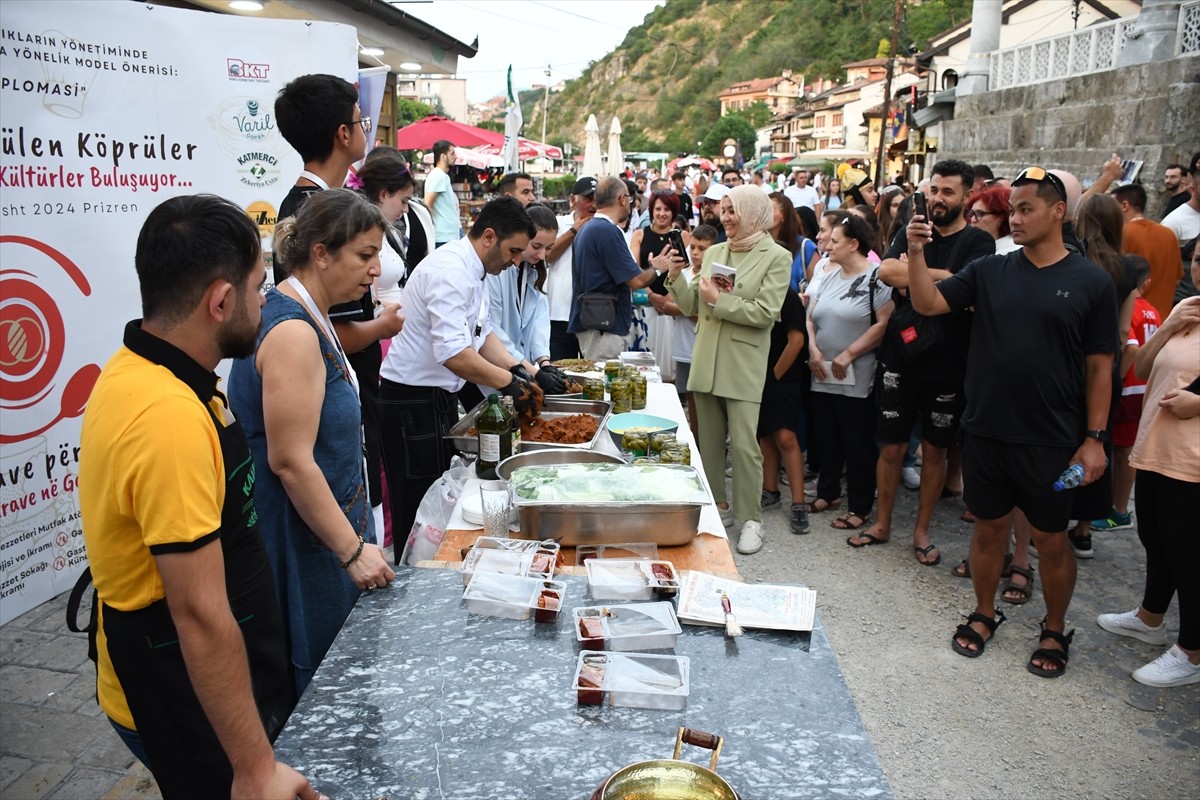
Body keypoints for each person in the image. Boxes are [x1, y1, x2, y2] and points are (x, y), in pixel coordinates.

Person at [78, 195, 321, 799]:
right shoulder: (166, 417)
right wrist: (255, 768)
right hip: (180, 691)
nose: (264, 301)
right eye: (258, 287)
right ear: (220, 301)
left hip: (203, 676)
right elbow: (198, 613)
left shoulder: (150, 366)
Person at [908, 166, 1118, 677]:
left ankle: (1053, 627)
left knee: (1051, 539)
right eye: (1013, 210)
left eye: (1026, 209)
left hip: (1054, 439)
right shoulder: (990, 270)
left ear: (1057, 212)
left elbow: (1100, 369)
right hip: (984, 430)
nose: (1016, 219)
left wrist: (1094, 440)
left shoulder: (1090, 281)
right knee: (987, 531)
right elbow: (928, 302)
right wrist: (916, 254)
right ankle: (984, 612)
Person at [229, 189, 396, 696]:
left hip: (324, 527)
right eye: (365, 255)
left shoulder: (310, 316)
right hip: (305, 538)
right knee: (319, 682)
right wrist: (351, 551)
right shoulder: (293, 333)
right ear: (321, 253)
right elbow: (291, 461)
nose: (375, 270)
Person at [380, 197, 541, 556]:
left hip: (435, 399)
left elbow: (480, 336)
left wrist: (524, 370)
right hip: (409, 402)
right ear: (488, 237)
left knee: (440, 502)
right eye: (513, 251)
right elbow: (453, 354)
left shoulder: (475, 270)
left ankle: (432, 573)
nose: (516, 261)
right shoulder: (451, 270)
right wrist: (507, 382)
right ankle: (413, 589)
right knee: (418, 508)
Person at [865, 160, 995, 564]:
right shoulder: (911, 231)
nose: (939, 198)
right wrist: (939, 272)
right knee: (890, 447)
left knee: (936, 452)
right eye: (935, 190)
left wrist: (917, 270)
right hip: (900, 355)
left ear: (966, 195)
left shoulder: (979, 243)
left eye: (949, 192)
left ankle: (921, 531)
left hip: (947, 362)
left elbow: (968, 289)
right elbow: (886, 271)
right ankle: (882, 523)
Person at [665, 186, 792, 555]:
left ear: (754, 212)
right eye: (724, 210)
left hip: (743, 362)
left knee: (744, 444)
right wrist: (676, 277)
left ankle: (751, 517)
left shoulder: (777, 257)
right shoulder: (716, 251)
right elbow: (693, 305)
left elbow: (765, 313)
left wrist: (720, 301)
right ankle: (718, 506)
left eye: (734, 210)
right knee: (710, 442)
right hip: (707, 357)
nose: (727, 217)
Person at [1096, 250, 1200, 687]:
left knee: (1187, 552)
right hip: (1157, 443)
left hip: (1192, 457)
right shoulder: (1185, 308)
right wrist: (1171, 326)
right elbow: (1139, 365)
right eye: (1197, 259)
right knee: (1153, 536)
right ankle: (1150, 618)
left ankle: (1192, 653)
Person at [805, 214, 894, 533]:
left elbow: (883, 324)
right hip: (823, 369)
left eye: (835, 241)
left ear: (854, 244)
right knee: (826, 435)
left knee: (856, 440)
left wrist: (849, 354)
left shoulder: (877, 278)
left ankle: (860, 505)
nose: (828, 245)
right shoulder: (828, 274)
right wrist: (814, 348)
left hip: (856, 373)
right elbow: (811, 316)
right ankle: (828, 491)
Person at [568, 177, 681, 360]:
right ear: (621, 198)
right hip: (603, 326)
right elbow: (636, 280)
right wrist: (657, 267)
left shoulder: (589, 228)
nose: (630, 205)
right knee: (606, 382)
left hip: (596, 321)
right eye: (629, 199)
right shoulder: (607, 231)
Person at [273, 73, 368, 284]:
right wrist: (384, 319)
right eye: (361, 121)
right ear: (344, 134)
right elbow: (333, 314)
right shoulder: (329, 212)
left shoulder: (297, 202)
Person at [1092, 256, 1157, 532]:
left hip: (1128, 388)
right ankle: (1119, 508)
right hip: (1143, 389)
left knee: (1119, 450)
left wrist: (1113, 378)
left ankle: (1118, 509)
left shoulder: (1132, 310)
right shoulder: (1153, 310)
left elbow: (1129, 346)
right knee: (1126, 448)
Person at [486, 204, 569, 393]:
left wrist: (544, 361)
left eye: (548, 248)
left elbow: (539, 319)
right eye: (536, 246)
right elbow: (493, 329)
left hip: (518, 366)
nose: (541, 255)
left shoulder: (532, 271)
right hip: (493, 368)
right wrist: (533, 371)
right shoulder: (497, 271)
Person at [758, 281, 810, 536]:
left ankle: (799, 503)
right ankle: (771, 490)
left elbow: (797, 341)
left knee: (786, 436)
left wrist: (774, 376)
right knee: (765, 433)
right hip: (759, 372)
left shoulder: (786, 295)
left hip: (783, 373)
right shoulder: (754, 292)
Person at [659, 224, 717, 441]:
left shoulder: (713, 275)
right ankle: (696, 440)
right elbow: (667, 304)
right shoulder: (682, 272)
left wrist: (684, 306)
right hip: (683, 349)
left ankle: (712, 441)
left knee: (707, 402)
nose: (694, 253)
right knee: (691, 399)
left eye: (702, 249)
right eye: (692, 247)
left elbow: (703, 312)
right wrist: (687, 307)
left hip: (704, 349)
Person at [544, 176, 597, 360]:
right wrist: (574, 230)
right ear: (573, 200)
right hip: (560, 313)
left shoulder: (603, 227)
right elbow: (547, 255)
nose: (593, 204)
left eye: (596, 199)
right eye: (588, 199)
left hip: (592, 314)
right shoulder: (558, 224)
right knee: (561, 373)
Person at [1111, 182, 1182, 319]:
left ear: (1124, 206)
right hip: (1162, 321)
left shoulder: (1122, 233)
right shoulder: (1169, 234)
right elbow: (1177, 280)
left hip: (1132, 320)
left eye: (1112, 206)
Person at [770, 191, 817, 293]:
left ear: (784, 215)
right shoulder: (757, 244)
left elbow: (817, 291)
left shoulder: (806, 247)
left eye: (770, 209)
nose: (764, 214)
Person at [424, 139, 461, 247]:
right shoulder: (438, 176)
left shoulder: (442, 176)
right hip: (444, 236)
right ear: (443, 157)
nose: (456, 156)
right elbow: (427, 204)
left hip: (448, 235)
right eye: (452, 153)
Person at [966, 185, 1019, 254]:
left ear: (1000, 217)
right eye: (972, 213)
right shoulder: (972, 245)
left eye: (980, 214)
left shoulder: (1011, 251)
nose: (973, 220)